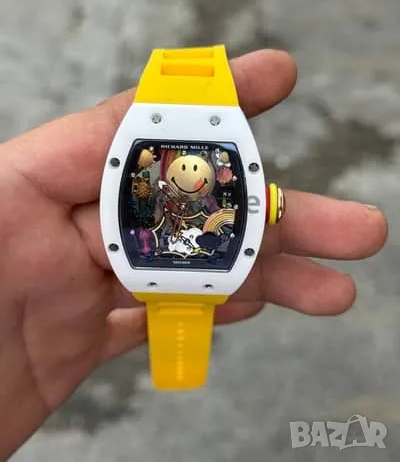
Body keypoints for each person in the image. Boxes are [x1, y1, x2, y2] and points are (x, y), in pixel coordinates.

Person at [0, 49, 387, 459]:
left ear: (267, 203)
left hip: (181, 257)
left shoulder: (202, 186)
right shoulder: (160, 178)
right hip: (166, 257)